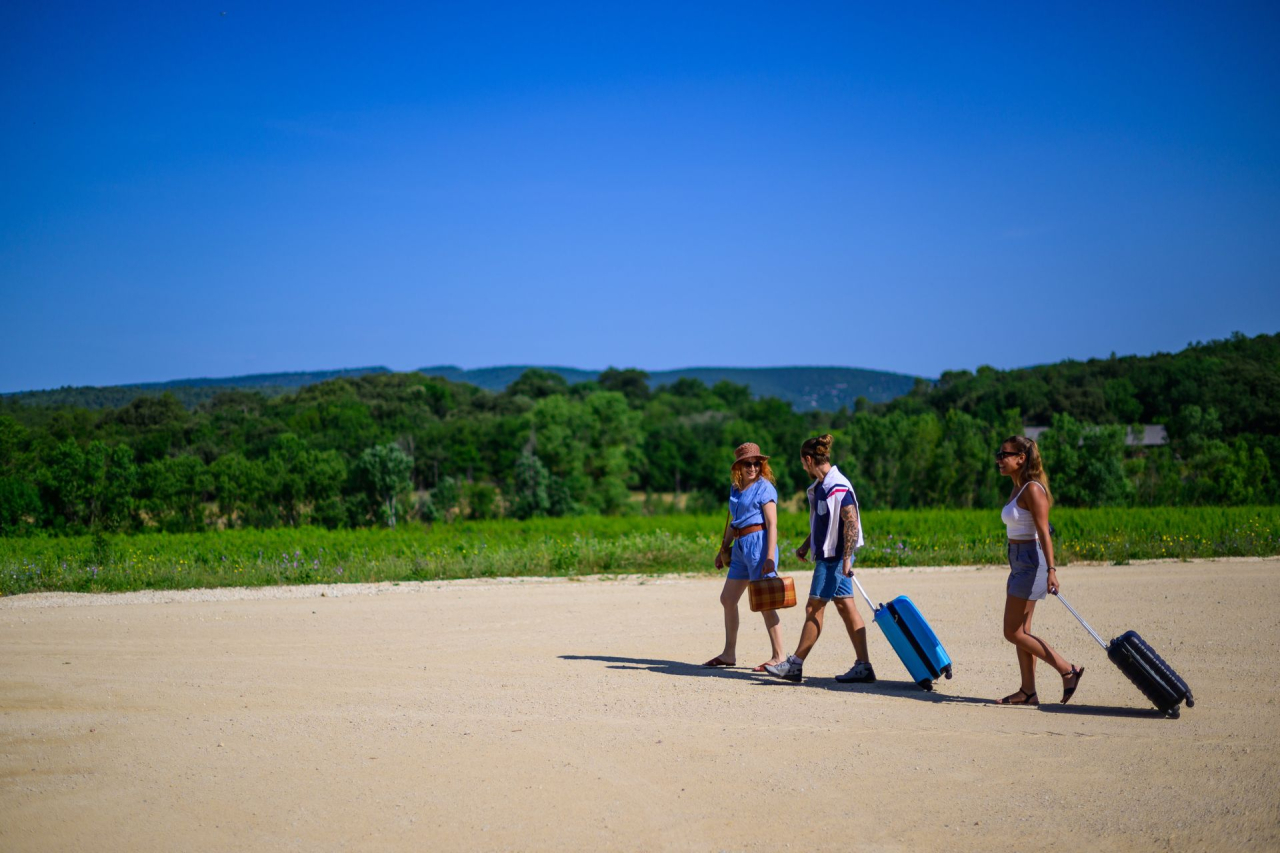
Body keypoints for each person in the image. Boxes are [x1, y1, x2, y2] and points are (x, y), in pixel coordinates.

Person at [764, 434, 874, 684]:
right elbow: (825, 521)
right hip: (831, 555)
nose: (803, 468)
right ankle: (864, 667)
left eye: (803, 463)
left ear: (809, 459)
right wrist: (806, 544)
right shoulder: (822, 486)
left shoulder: (838, 486)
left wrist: (846, 559)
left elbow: (851, 522)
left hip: (833, 558)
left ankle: (795, 665)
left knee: (814, 607)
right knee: (846, 607)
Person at [994, 435, 1084, 706]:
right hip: (1019, 560)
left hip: (1032, 561)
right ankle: (1028, 692)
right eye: (998, 454)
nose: (999, 459)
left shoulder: (1033, 489)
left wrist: (1052, 570)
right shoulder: (1017, 487)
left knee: (1013, 632)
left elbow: (1044, 532)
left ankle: (1067, 670)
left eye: (1004, 454)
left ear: (1021, 458)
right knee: (1023, 630)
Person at [703, 442, 786, 671]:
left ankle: (779, 656)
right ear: (738, 466)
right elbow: (733, 522)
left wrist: (770, 555)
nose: (752, 467)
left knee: (765, 602)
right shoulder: (735, 489)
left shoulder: (764, 488)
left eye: (756, 463)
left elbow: (772, 524)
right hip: (740, 546)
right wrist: (724, 548)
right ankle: (729, 654)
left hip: (759, 544)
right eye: (747, 463)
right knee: (728, 599)